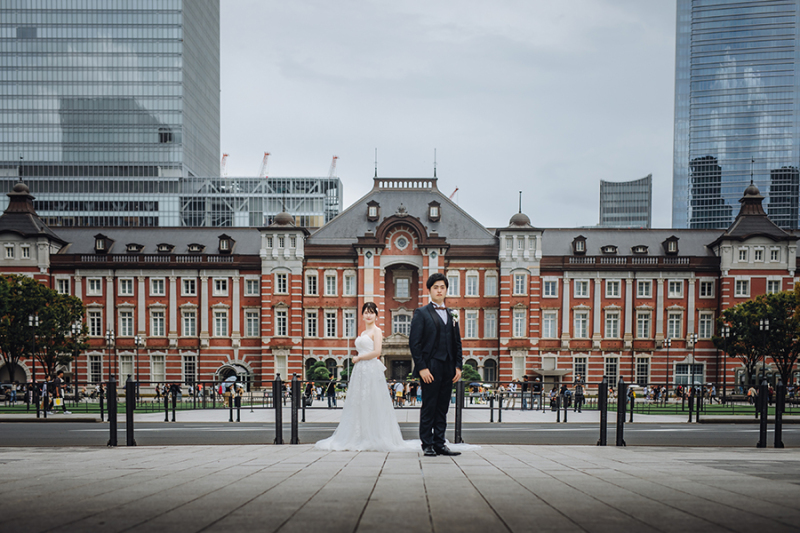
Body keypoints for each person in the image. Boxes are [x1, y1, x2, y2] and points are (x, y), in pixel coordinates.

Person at [315, 303, 416, 452]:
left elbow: (377, 352)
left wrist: (359, 357)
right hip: (360, 370)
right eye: (366, 312)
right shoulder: (362, 333)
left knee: (372, 400)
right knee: (358, 401)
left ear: (376, 315)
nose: (368, 315)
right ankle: (359, 434)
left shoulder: (377, 331)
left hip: (370, 368)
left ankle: (372, 435)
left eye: (371, 312)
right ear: (362, 315)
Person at [410, 273, 465, 457]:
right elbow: (414, 343)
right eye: (436, 287)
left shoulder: (452, 314)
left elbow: (457, 342)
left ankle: (440, 443)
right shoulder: (421, 313)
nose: (439, 290)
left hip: (449, 367)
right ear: (430, 290)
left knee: (443, 406)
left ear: (446, 290)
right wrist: (422, 367)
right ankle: (427, 444)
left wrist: (458, 366)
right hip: (430, 367)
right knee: (429, 405)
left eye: (442, 287)